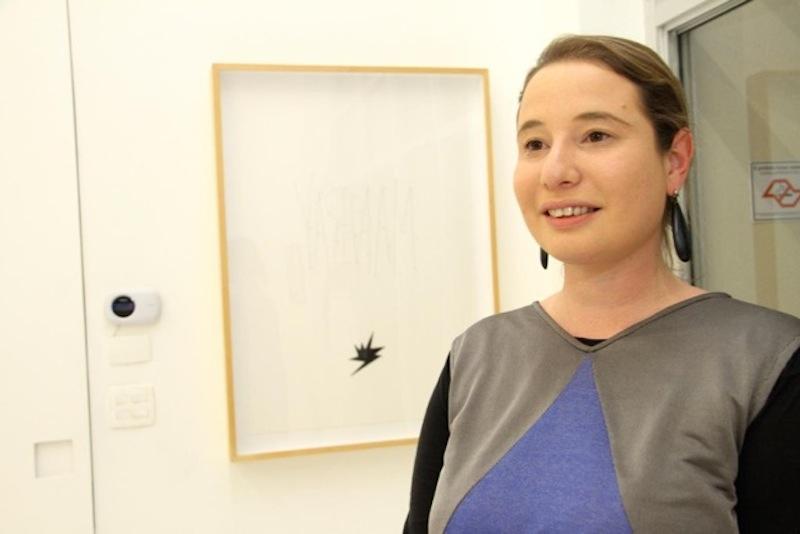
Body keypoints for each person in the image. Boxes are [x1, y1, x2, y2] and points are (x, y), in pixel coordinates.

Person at [404, 35, 800, 533]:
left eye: (595, 135)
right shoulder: (477, 355)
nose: (556, 171)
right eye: (535, 144)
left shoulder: (768, 362)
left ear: (675, 160)